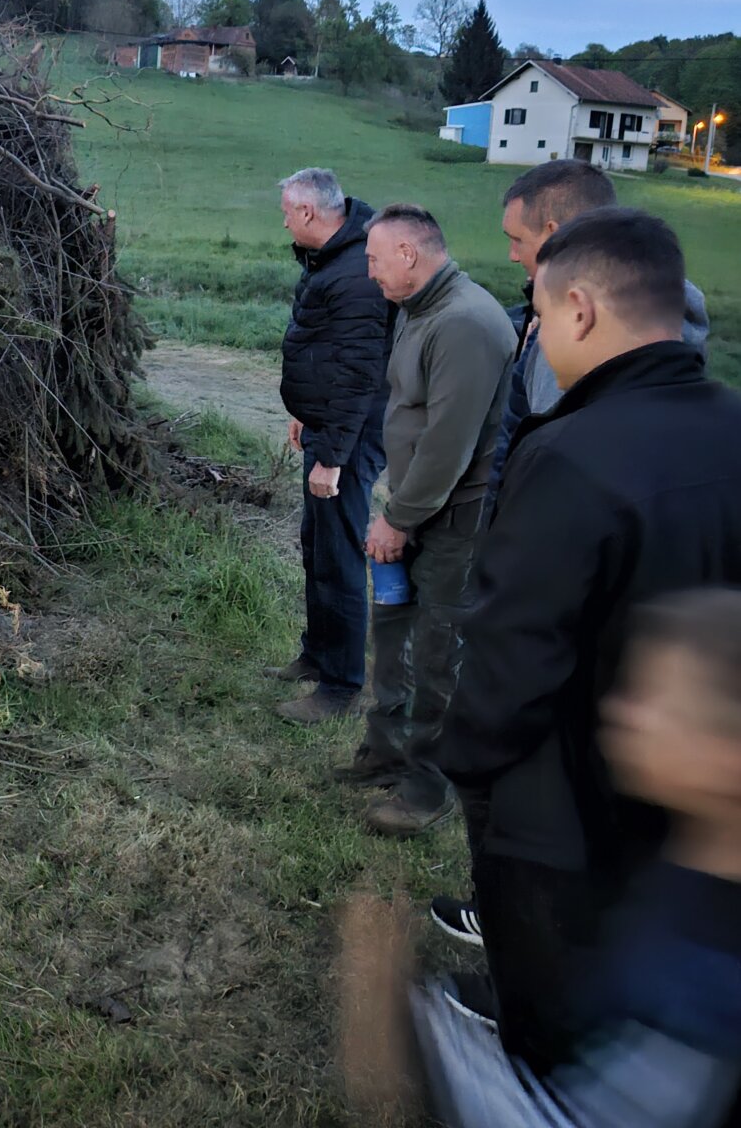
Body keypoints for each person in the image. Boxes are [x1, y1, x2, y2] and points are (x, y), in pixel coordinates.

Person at [437, 208, 741, 1074]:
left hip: (566, 816)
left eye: (534, 311)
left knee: (557, 1029)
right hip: (703, 806)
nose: (532, 332)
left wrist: (469, 768)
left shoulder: (570, 453)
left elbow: (510, 657)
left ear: (580, 310)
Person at [340, 588, 741, 1128]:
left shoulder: (708, 986)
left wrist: (402, 1020)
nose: (622, 709)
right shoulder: (689, 857)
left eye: (657, 699)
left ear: (727, 759)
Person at [341, 203, 515, 836]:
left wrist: (399, 517)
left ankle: (425, 789)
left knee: (438, 655)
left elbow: (449, 443)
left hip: (451, 520)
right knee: (391, 634)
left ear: (410, 255)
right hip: (413, 506)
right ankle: (384, 755)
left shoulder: (465, 322)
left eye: (374, 259)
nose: (370, 272)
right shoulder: (420, 311)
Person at [485, 159, 708, 504]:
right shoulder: (667, 312)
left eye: (517, 240)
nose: (513, 255)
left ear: (553, 234)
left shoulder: (572, 338)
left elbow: (554, 476)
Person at [269, 168, 393, 723]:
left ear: (311, 215)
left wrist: (334, 457)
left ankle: (341, 686)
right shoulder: (331, 257)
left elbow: (360, 374)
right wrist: (305, 415)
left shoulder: (356, 275)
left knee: (340, 554)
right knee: (315, 544)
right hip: (326, 425)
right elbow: (324, 350)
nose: (284, 220)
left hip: (351, 434)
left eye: (287, 212)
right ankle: (318, 654)